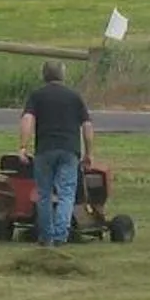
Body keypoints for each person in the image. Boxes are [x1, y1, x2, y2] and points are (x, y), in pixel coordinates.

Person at [18, 59, 95, 247]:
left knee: (43, 194)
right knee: (66, 193)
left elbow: (27, 119)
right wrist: (89, 153)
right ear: (63, 75)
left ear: (44, 75)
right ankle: (61, 235)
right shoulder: (74, 97)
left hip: (45, 150)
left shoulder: (37, 96)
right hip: (69, 150)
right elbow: (87, 125)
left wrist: (23, 147)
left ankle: (46, 236)